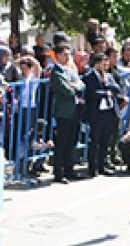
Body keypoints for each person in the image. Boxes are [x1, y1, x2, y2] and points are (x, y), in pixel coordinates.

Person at [49, 45, 84, 184]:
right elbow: (66, 90)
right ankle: (59, 172)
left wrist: (74, 85)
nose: (67, 56)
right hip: (64, 112)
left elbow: (81, 85)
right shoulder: (56, 72)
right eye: (64, 54)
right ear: (57, 55)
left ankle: (69, 169)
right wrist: (73, 86)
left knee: (71, 141)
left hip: (74, 109)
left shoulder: (69, 69)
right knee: (62, 143)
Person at [82, 53, 121, 177]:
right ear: (97, 63)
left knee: (105, 140)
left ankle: (102, 164)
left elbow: (117, 88)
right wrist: (106, 92)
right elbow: (92, 93)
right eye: (103, 64)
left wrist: (108, 86)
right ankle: (92, 167)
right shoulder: (89, 76)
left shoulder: (109, 76)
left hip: (109, 111)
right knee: (95, 140)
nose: (105, 67)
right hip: (97, 112)